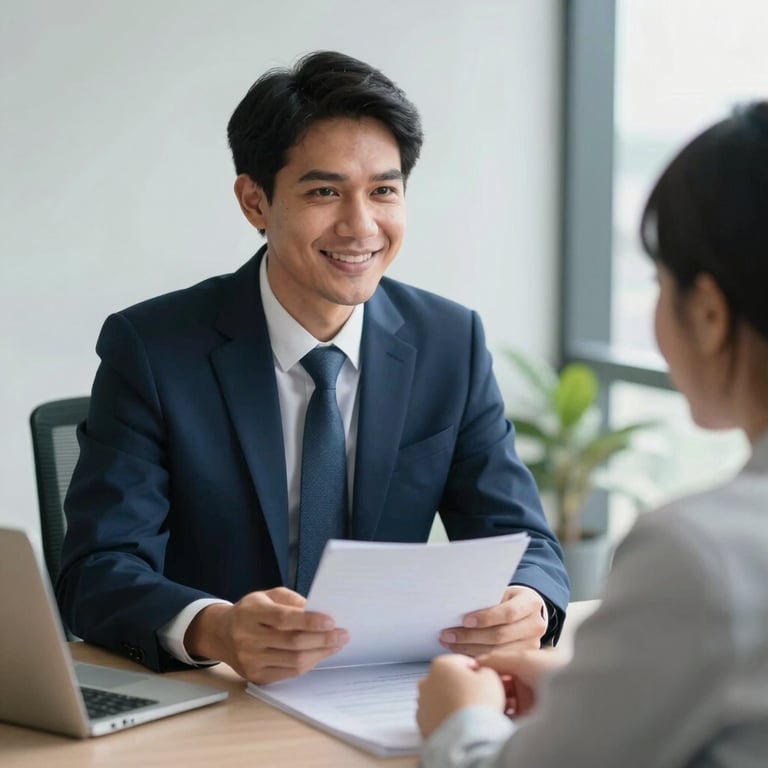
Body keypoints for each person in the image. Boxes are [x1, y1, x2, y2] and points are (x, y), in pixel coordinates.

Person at [56, 50, 569, 685]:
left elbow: (525, 542)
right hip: (218, 695)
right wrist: (216, 628)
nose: (360, 225)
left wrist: (528, 602)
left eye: (383, 190)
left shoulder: (449, 342)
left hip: (386, 691)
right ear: (255, 202)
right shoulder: (153, 347)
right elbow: (97, 568)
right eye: (325, 191)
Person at [416, 100, 768, 766]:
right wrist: (600, 695)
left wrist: (456, 723)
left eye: (659, 282)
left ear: (711, 313)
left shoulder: (698, 553)